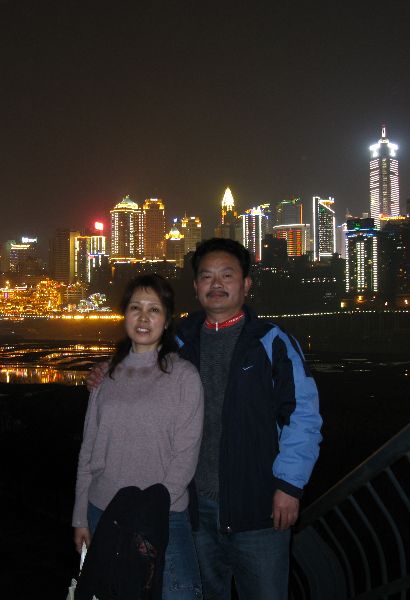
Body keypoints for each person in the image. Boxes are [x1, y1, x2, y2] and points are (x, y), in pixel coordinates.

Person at [87, 239, 323, 600]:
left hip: (258, 509)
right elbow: (138, 356)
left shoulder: (271, 342)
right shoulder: (180, 341)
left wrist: (290, 486)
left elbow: (303, 417)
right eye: (207, 276)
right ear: (196, 286)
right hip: (192, 510)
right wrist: (107, 369)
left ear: (246, 284)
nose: (216, 284)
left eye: (227, 275)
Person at [72, 274, 204, 600]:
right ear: (125, 315)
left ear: (167, 320)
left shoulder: (184, 376)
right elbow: (88, 451)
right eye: (135, 308)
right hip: (104, 511)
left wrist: (153, 508)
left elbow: (186, 455)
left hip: (164, 514)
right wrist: (80, 517)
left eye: (154, 309)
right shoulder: (106, 376)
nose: (143, 318)